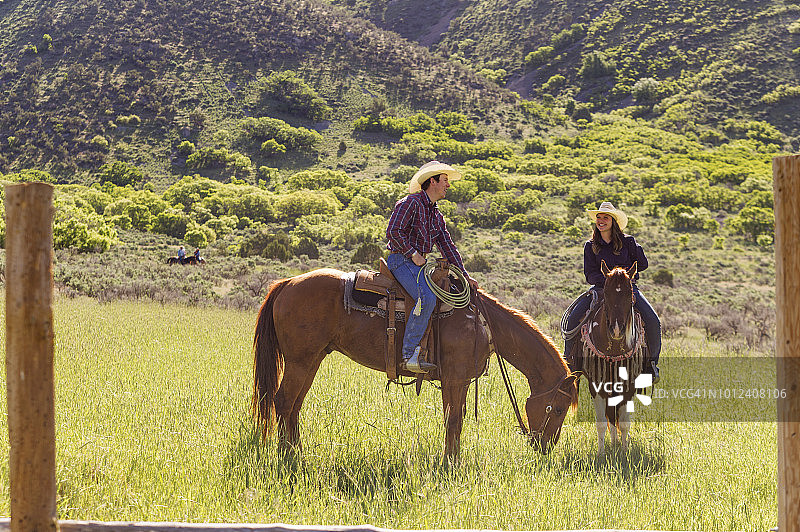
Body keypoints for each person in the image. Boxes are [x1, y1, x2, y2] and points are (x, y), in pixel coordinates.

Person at [386, 161, 479, 373]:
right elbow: (393, 232)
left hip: (416, 265)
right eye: (445, 181)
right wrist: (413, 254)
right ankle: (409, 354)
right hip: (401, 260)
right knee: (426, 298)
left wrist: (464, 276)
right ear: (432, 181)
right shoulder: (410, 203)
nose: (448, 185)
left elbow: (448, 248)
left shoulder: (436, 216)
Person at [564, 202, 661, 382]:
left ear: (613, 221)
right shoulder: (590, 245)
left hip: (626, 290)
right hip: (601, 290)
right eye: (598, 218)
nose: (601, 221)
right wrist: (608, 280)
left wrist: (625, 273)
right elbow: (590, 274)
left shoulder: (628, 242)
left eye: (605, 217)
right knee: (572, 319)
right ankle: (568, 362)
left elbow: (643, 264)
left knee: (653, 321)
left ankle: (651, 365)